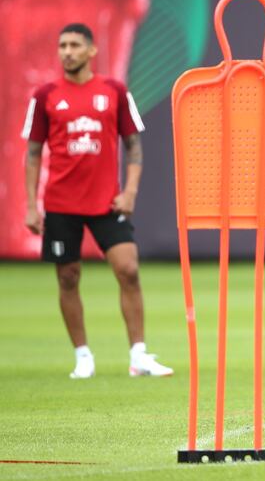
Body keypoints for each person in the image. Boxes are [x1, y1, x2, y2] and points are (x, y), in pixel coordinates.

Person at [23, 23, 173, 379]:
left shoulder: (114, 90)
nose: (67, 52)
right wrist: (32, 204)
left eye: (75, 45)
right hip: (61, 203)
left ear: (91, 51)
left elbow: (134, 146)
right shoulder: (45, 95)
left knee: (129, 270)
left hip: (108, 202)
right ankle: (83, 356)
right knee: (68, 278)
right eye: (62, 45)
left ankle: (138, 355)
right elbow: (32, 153)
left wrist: (130, 191)